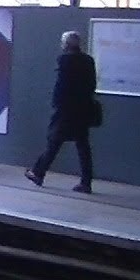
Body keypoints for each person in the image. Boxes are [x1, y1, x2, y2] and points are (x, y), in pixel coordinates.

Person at [26, 32, 98, 194]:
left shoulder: (65, 60)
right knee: (83, 146)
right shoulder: (88, 60)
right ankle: (86, 182)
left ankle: (38, 172)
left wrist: (56, 104)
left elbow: (62, 86)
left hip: (66, 110)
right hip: (83, 109)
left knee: (54, 141)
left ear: (66, 44)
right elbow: (92, 84)